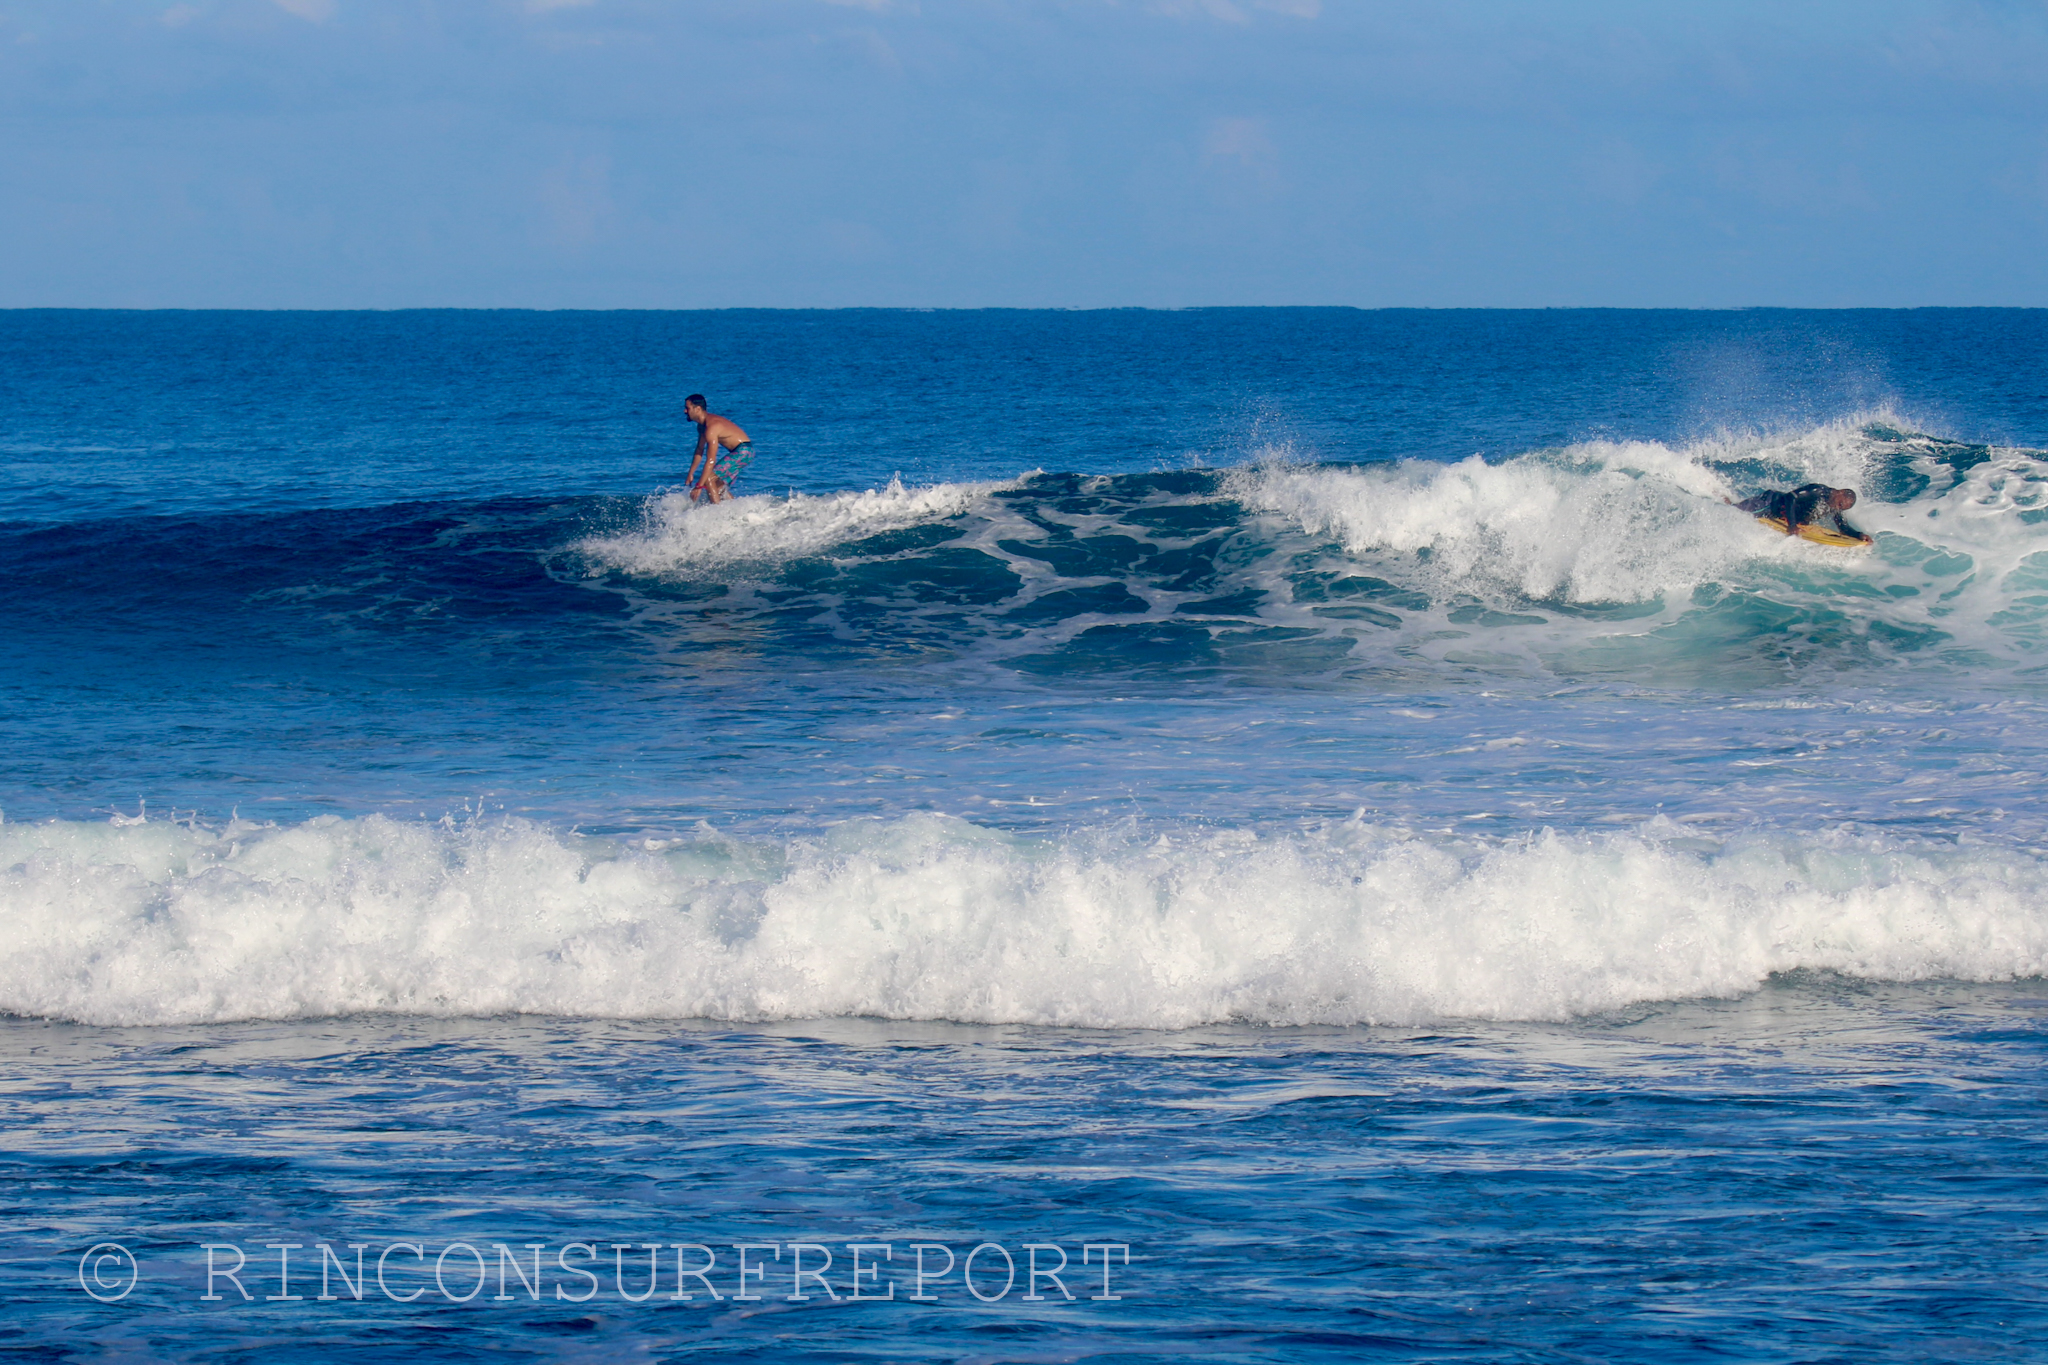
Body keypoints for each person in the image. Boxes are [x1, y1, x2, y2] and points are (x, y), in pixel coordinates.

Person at [1734, 483, 1869, 543]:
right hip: (1769, 504)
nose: (1838, 509)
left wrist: (1859, 535)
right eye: (1840, 504)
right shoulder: (1818, 490)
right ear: (1840, 492)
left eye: (1841, 508)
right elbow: (1790, 497)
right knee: (1735, 512)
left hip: (1779, 515)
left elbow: (1843, 527)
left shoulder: (1835, 506)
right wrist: (1792, 525)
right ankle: (1721, 498)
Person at [681, 394, 753, 504]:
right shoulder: (702, 426)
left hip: (743, 451)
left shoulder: (711, 427)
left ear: (698, 409)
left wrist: (699, 486)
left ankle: (716, 514)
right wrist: (691, 473)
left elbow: (711, 459)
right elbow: (699, 450)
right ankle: (736, 512)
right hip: (743, 452)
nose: (685, 411)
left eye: (687, 408)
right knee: (718, 489)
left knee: (709, 479)